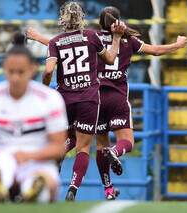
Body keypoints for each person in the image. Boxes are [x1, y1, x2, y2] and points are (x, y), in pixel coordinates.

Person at [27, 6, 187, 200]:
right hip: (112, 98)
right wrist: (177, 45)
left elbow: (64, 45)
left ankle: (107, 187)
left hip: (92, 99)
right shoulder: (127, 40)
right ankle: (113, 154)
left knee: (86, 142)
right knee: (125, 141)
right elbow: (155, 50)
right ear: (118, 22)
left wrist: (37, 37)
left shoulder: (90, 37)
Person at [0, 33, 68, 203]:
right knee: (0, 167)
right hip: (0, 159)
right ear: (3, 68)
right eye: (11, 72)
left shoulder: (50, 99)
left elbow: (58, 147)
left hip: (37, 161)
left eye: (21, 72)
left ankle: (35, 187)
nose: (15, 78)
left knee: (42, 186)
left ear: (33, 69)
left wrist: (29, 156)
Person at [42, 2, 126, 201]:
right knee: (83, 147)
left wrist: (45, 89)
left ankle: (51, 180)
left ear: (62, 18)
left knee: (62, 141)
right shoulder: (90, 36)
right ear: (81, 17)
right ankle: (73, 188)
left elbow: (48, 70)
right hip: (88, 98)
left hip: (64, 99)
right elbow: (111, 57)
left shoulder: (55, 42)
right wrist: (116, 38)